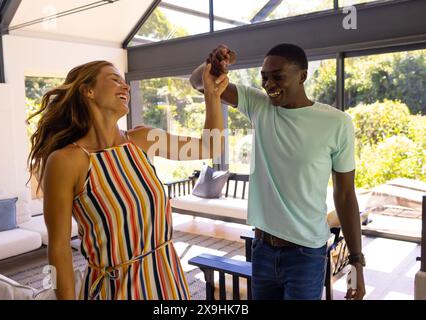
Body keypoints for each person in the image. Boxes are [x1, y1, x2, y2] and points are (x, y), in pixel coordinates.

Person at [27, 60, 227, 300]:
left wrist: (212, 95)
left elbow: (211, 146)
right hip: (115, 290)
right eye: (114, 80)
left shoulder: (142, 139)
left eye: (125, 82)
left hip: (168, 282)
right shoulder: (66, 161)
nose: (126, 87)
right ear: (88, 91)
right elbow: (58, 249)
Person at [190, 44, 366, 300]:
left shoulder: (336, 123)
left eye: (278, 76)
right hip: (262, 249)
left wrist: (356, 262)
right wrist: (212, 66)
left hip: (306, 255)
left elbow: (346, 196)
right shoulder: (259, 105)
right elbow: (198, 83)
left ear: (302, 76)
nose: (269, 84)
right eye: (264, 77)